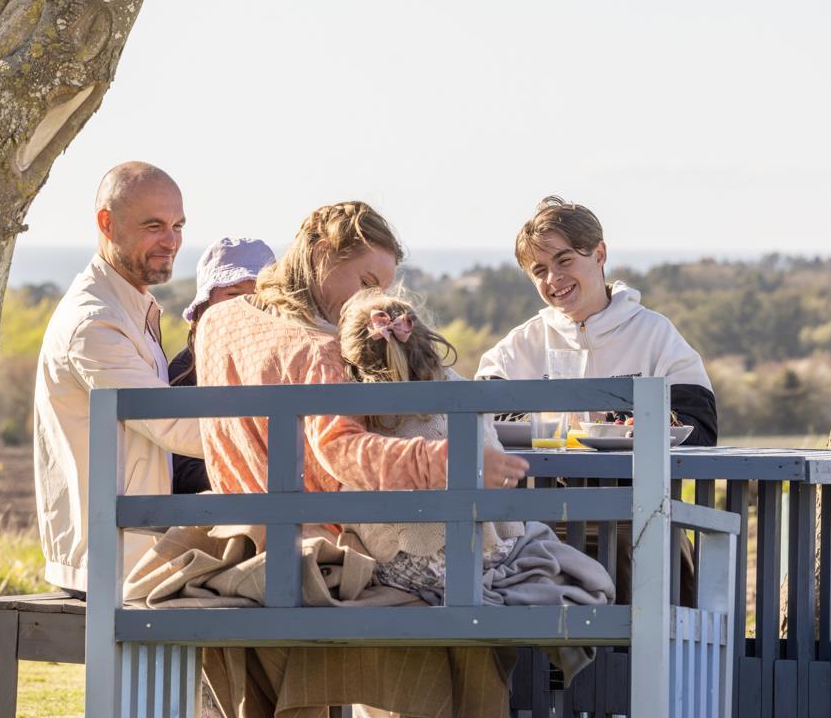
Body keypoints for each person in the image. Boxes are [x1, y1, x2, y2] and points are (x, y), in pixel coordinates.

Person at [195, 201, 529, 497]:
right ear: (321, 253)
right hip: (309, 529)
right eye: (367, 283)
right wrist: (451, 462)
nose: (371, 301)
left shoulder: (217, 320)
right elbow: (341, 450)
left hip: (235, 518)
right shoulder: (319, 349)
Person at [33, 161, 204, 595]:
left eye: (178, 226)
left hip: (136, 555)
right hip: (110, 567)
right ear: (107, 224)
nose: (171, 241)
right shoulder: (95, 323)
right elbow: (174, 425)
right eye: (153, 226)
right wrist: (282, 435)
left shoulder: (126, 307)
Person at [477, 195, 717, 444]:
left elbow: (700, 429)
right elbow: (479, 419)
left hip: (636, 473)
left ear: (599, 254)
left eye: (565, 261)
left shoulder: (656, 335)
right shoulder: (517, 347)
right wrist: (559, 419)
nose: (553, 278)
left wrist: (605, 420)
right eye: (540, 270)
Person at [335, 288, 524, 596]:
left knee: (354, 484)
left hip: (417, 568)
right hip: (492, 551)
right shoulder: (460, 386)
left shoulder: (362, 407)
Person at [167, 237, 275, 495]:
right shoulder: (186, 370)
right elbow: (179, 467)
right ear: (205, 305)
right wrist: (249, 474)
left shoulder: (284, 361)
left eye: (258, 295)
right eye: (232, 295)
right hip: (218, 505)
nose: (246, 305)